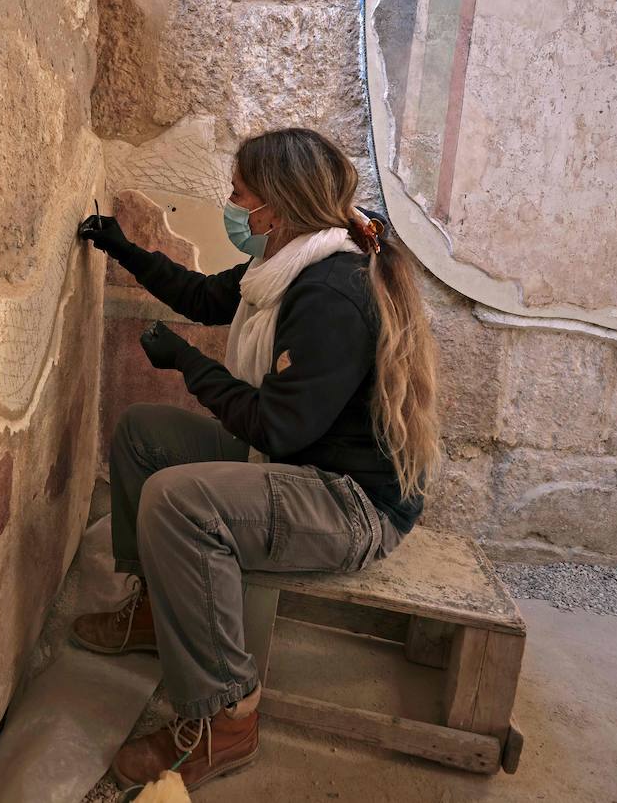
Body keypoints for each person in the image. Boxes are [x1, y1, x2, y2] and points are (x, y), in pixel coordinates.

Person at [72, 127, 440, 791]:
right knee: (141, 435)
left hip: (350, 501)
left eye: (238, 193)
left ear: (272, 207)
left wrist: (186, 364)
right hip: (305, 466)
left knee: (178, 501)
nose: (230, 204)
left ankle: (226, 718)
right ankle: (158, 610)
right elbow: (206, 298)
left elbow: (279, 428)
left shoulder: (330, 291)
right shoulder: (285, 260)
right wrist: (124, 248)